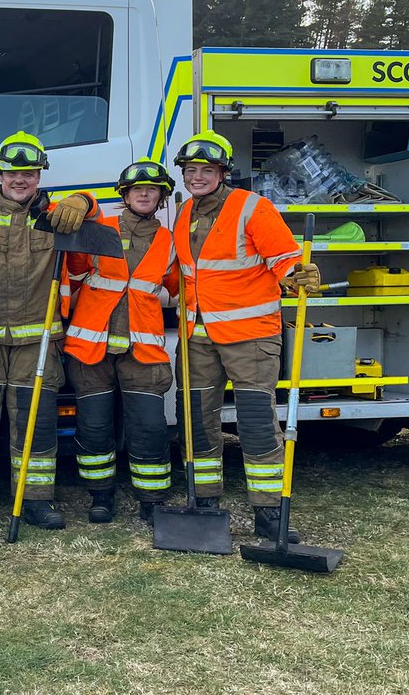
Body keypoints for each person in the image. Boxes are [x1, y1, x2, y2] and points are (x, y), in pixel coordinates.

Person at [0, 132, 101, 533]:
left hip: (38, 340)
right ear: (0, 173)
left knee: (37, 423)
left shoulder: (58, 215)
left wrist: (86, 202)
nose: (20, 180)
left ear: (40, 174)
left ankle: (36, 502)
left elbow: (89, 250)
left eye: (28, 173)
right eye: (13, 173)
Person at [173, 130, 319, 541]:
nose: (197, 177)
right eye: (191, 170)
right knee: (197, 422)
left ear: (223, 172)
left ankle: (269, 513)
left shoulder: (252, 207)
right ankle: (203, 501)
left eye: (206, 170)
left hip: (249, 335)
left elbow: (285, 257)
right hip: (197, 336)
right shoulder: (185, 213)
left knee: (255, 420)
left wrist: (296, 275)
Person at [62, 160, 179, 524]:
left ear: (161, 197)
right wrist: (83, 200)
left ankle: (152, 500)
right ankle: (101, 497)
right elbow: (75, 271)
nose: (144, 193)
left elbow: (177, 290)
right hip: (90, 348)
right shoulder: (102, 228)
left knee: (150, 428)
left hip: (142, 351)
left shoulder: (170, 241)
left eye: (152, 189)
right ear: (124, 195)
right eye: (136, 189)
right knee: (94, 428)